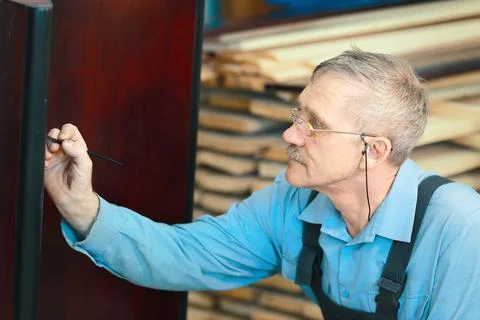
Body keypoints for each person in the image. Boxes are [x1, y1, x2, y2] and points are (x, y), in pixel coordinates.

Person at [44, 49, 480, 320]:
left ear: (375, 151)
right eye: (297, 115)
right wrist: (79, 203)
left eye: (315, 126)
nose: (291, 135)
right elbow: (185, 257)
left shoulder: (457, 230)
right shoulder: (293, 206)